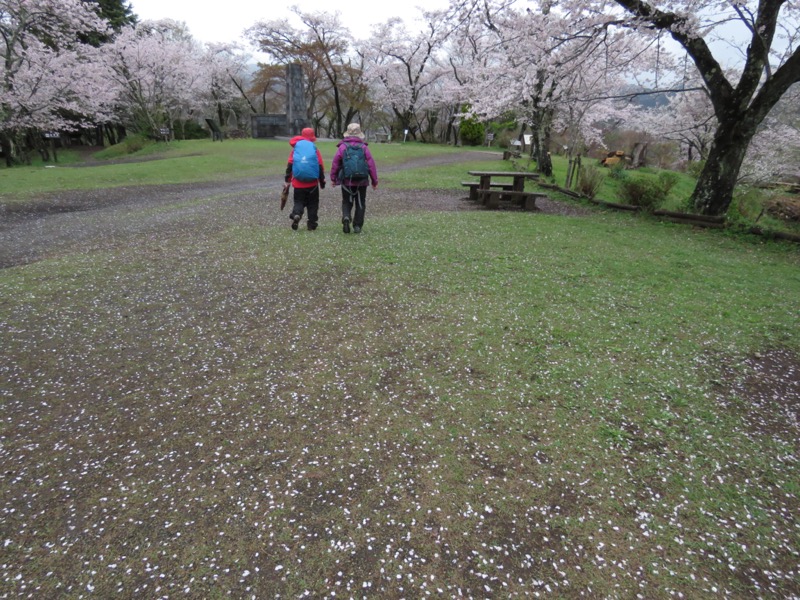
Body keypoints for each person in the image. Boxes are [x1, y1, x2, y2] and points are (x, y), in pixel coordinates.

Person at [330, 123, 378, 234]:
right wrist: (374, 181)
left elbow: (335, 163)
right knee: (360, 203)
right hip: (362, 181)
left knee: (346, 201)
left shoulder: (342, 147)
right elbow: (371, 164)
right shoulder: (364, 147)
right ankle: (357, 225)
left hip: (347, 180)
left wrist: (333, 178)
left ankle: (346, 216)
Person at [283, 128, 326, 230]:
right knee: (313, 204)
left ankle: (296, 214)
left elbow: (290, 165)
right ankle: (312, 224)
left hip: (298, 183)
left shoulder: (296, 149)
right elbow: (320, 166)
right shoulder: (314, 149)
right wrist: (322, 182)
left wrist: (287, 180)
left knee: (299, 201)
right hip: (312, 184)